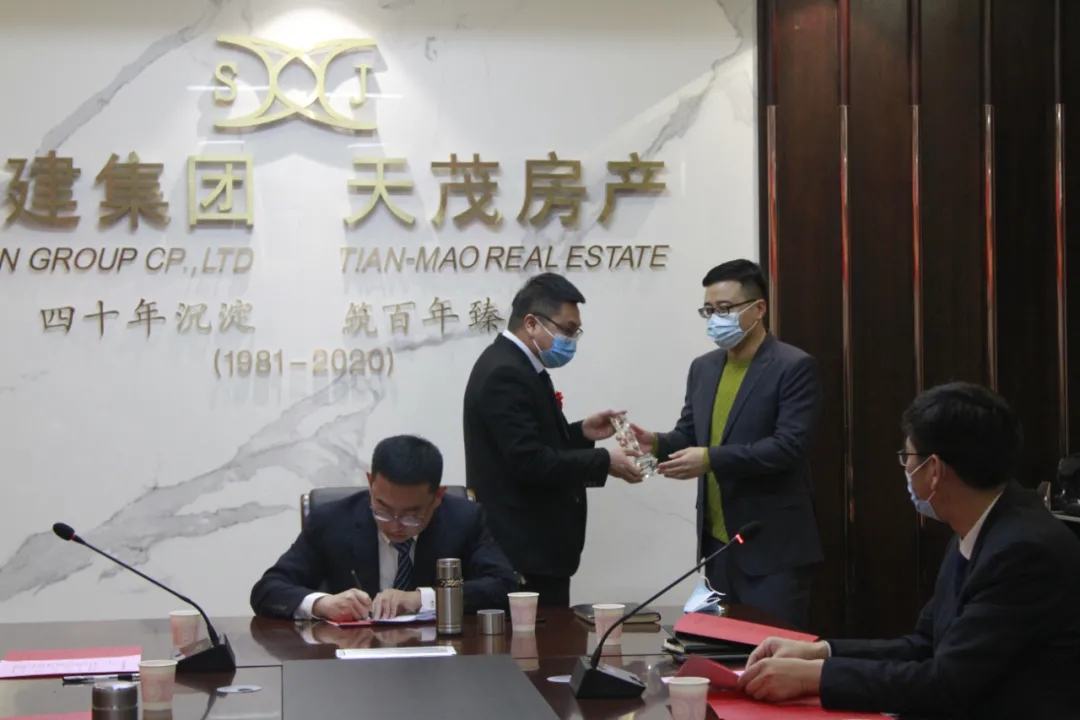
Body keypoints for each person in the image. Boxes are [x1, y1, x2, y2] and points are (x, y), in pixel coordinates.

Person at [738, 382, 1080, 719]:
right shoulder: (982, 523)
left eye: (907, 457)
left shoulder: (1023, 551)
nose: (904, 468)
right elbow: (924, 645)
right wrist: (819, 653)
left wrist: (812, 678)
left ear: (934, 470)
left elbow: (947, 683)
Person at [632, 259, 822, 628]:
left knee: (770, 651)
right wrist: (653, 443)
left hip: (773, 550)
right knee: (719, 650)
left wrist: (711, 460)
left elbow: (788, 447)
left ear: (759, 308)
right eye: (708, 311)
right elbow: (689, 435)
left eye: (724, 309)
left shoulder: (794, 367)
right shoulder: (703, 368)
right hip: (718, 548)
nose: (715, 319)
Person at [463, 273, 643, 607]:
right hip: (522, 550)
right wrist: (605, 461)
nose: (572, 340)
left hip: (536, 550)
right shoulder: (505, 372)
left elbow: (535, 442)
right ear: (531, 323)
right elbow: (529, 462)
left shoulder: (518, 365)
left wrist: (581, 432)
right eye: (568, 330)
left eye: (576, 332)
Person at [250, 435, 516, 622]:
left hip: (440, 662)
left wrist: (421, 599)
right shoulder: (332, 520)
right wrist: (321, 604)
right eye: (382, 508)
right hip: (353, 662)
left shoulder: (463, 519)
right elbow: (267, 590)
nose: (395, 525)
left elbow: (504, 587)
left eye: (411, 514)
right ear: (370, 483)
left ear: (437, 497)